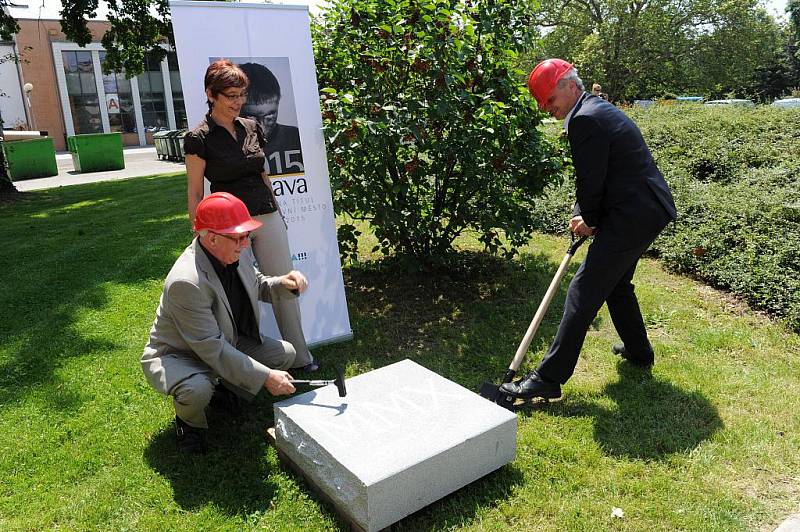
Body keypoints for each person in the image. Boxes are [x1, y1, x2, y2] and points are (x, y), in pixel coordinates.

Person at [501, 59, 677, 401]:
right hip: (644, 209)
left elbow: (591, 180)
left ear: (569, 85)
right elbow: (598, 174)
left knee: (583, 289)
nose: (547, 108)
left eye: (550, 99)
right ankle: (640, 353)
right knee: (618, 285)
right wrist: (584, 211)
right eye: (543, 103)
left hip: (633, 214)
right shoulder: (592, 110)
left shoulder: (585, 119)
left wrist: (590, 219)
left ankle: (548, 378)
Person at [141, 192, 308, 453]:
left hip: (223, 338)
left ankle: (227, 392)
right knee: (196, 389)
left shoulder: (235, 251)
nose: (245, 243)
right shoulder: (186, 281)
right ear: (211, 237)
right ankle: (188, 424)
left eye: (245, 236)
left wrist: (284, 284)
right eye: (238, 237)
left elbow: (258, 285)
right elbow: (212, 349)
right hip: (181, 354)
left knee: (284, 354)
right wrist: (265, 378)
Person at [184, 59, 317, 374]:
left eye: (241, 95)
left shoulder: (253, 127)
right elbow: (194, 192)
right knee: (240, 294)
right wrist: (201, 231)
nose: (238, 102)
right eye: (230, 95)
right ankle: (245, 364)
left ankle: (300, 357)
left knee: (285, 286)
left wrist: (279, 212)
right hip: (228, 228)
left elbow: (263, 173)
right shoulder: (198, 137)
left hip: (267, 216)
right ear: (211, 94)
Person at [238, 62, 304, 176]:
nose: (262, 127)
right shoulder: (223, 143)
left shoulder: (297, 138)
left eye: (270, 116)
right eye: (251, 117)